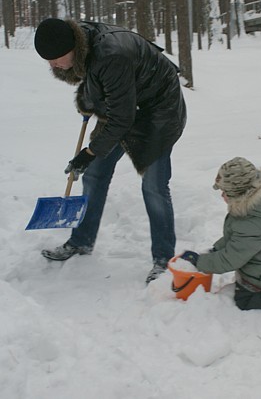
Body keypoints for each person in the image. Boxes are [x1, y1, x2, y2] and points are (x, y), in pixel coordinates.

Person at [33, 18, 186, 284]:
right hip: (128, 103)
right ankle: (82, 241)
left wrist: (89, 152)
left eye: (57, 58)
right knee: (94, 174)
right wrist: (88, 100)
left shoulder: (113, 54)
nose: (52, 65)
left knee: (154, 187)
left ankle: (163, 260)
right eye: (48, 61)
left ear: (71, 47)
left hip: (158, 112)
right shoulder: (82, 39)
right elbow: (99, 78)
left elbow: (121, 118)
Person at [180, 157, 261, 313]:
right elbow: (236, 238)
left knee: (244, 301)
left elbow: (230, 259)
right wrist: (215, 249)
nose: (222, 196)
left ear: (237, 193)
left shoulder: (252, 223)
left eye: (224, 192)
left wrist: (199, 262)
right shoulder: (259, 202)